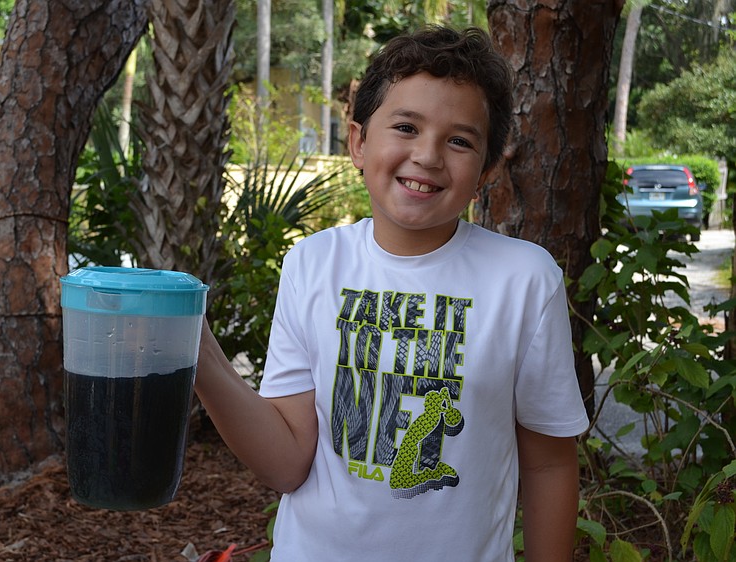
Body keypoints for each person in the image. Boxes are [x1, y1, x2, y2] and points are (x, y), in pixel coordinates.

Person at [194, 25, 589, 561]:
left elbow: (547, 465)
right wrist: (196, 355)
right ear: (358, 142)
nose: (427, 155)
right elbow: (285, 464)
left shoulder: (524, 280)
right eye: (405, 126)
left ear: (487, 169)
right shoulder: (312, 264)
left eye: (459, 140)